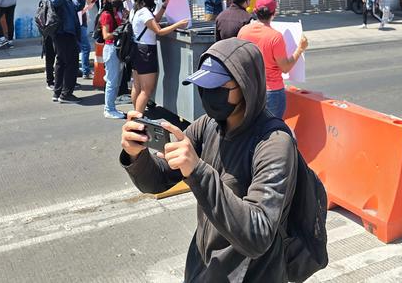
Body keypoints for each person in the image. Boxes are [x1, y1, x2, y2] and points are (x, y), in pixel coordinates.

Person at [120, 38, 299, 282]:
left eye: (218, 87)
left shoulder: (274, 143)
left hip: (252, 274)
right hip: (204, 265)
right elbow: (156, 181)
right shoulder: (208, 126)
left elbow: (258, 235)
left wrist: (198, 170)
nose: (208, 95)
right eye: (203, 86)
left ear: (246, 86)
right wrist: (137, 155)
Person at [238, 0, 307, 119]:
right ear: (274, 13)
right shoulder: (275, 37)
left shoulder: (243, 31)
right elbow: (285, 67)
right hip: (272, 92)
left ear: (255, 11)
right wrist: (300, 49)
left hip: (250, 89)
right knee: (271, 131)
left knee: (251, 130)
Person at [130, 0, 189, 114]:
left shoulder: (136, 11)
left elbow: (153, 21)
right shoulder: (145, 12)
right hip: (146, 52)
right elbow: (159, 31)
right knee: (146, 90)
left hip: (137, 49)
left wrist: (163, 7)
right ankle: (137, 119)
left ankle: (135, 113)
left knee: (137, 86)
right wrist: (178, 24)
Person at [49, 0, 86, 104]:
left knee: (62, 63)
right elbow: (54, 0)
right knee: (71, 64)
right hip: (62, 33)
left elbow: (77, 7)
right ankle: (66, 94)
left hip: (68, 34)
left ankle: (58, 92)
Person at [99, 0, 125, 119]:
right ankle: (109, 109)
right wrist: (119, 31)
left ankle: (111, 107)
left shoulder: (113, 13)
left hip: (115, 49)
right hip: (111, 48)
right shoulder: (107, 15)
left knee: (115, 81)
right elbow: (106, 35)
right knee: (112, 82)